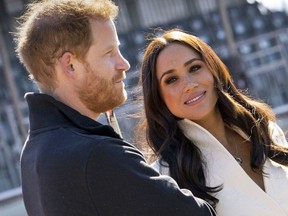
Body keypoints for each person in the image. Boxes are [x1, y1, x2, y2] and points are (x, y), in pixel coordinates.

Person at [13, 1, 216, 216]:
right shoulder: (95, 155)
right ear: (70, 65)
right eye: (109, 52)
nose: (124, 64)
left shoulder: (33, 154)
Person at [139, 29, 288, 215]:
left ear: (213, 70)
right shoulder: (164, 177)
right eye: (172, 79)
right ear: (158, 97)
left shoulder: (266, 132)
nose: (189, 84)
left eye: (194, 68)